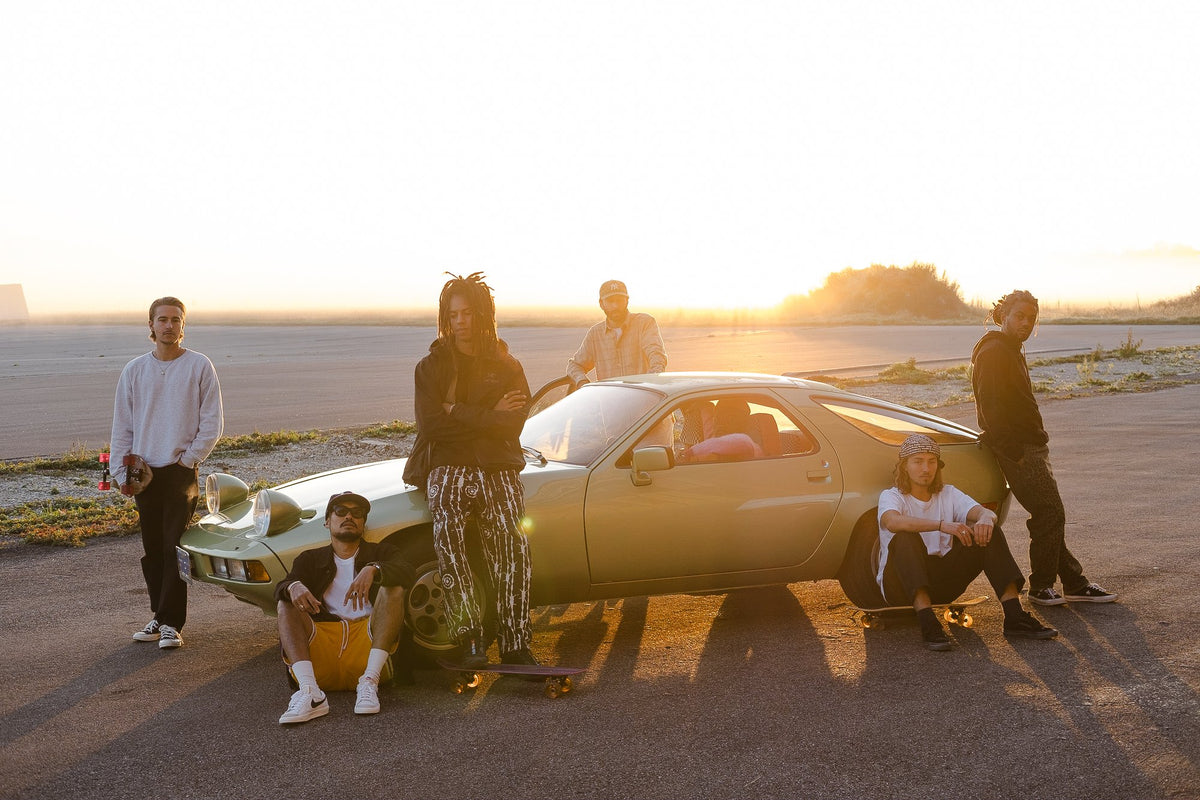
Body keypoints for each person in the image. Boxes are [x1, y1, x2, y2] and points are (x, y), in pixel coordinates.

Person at [411, 272, 536, 669]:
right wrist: (488, 414)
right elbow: (432, 426)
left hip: (499, 465)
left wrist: (459, 412)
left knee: (513, 548)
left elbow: (513, 423)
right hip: (449, 466)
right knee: (448, 539)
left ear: (483, 315)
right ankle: (470, 640)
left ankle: (516, 643)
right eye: (454, 314)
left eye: (468, 313)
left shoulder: (506, 365)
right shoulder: (430, 368)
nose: (461, 321)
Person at [971, 290, 1117, 607]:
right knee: (1050, 513)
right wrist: (1015, 451)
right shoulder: (994, 351)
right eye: (1019, 316)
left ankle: (1074, 582)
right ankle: (1041, 587)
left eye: (1031, 319)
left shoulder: (1010, 349)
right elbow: (990, 408)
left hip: (1031, 446)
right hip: (1020, 449)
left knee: (1050, 517)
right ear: (1003, 316)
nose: (1025, 323)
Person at [111, 296, 223, 650]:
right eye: (162, 319)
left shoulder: (199, 366)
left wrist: (188, 460)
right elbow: (122, 426)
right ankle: (158, 616)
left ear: (183, 325)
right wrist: (120, 470)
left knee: (174, 546)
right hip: (144, 475)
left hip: (179, 472)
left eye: (176, 319)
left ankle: (172, 623)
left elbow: (212, 423)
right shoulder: (134, 370)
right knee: (153, 549)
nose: (169, 325)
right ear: (151, 326)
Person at [878, 434, 1057, 651]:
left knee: (991, 531)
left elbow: (986, 513)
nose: (926, 468)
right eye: (918, 461)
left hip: (942, 583)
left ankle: (1014, 616)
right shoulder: (892, 496)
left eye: (931, 461)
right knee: (905, 538)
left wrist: (984, 520)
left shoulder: (948, 493)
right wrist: (942, 525)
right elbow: (893, 521)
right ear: (905, 466)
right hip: (900, 586)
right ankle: (927, 622)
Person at [275, 491, 414, 724]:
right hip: (323, 644)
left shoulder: (382, 552)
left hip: (368, 643)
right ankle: (311, 693)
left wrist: (375, 569)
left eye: (357, 513)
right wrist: (293, 587)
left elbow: (408, 572)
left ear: (363, 523)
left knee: (394, 587)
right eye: (341, 511)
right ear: (327, 521)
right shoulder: (309, 559)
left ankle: (369, 681)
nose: (349, 516)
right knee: (286, 600)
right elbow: (281, 587)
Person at [566, 279, 667, 385]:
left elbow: (657, 355)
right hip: (610, 400)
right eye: (610, 301)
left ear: (627, 301)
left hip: (643, 397)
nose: (615, 306)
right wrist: (583, 383)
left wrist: (650, 382)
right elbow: (575, 365)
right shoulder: (595, 334)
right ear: (601, 304)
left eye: (619, 300)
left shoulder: (644, 323)